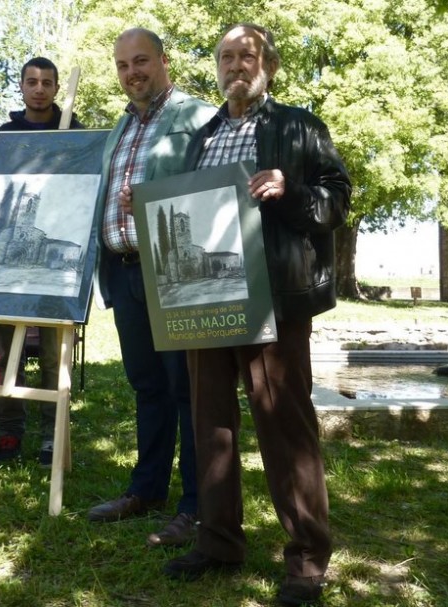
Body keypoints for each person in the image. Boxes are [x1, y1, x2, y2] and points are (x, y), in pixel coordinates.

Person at [162, 24, 351, 607]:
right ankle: (219, 542)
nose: (235, 65)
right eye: (226, 57)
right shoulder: (204, 135)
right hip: (206, 298)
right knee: (210, 423)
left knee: (285, 426)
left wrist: (288, 188)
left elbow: (336, 201)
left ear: (267, 63)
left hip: (275, 297)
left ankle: (306, 563)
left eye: (246, 56)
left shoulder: (298, 126)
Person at [88, 28, 217, 547]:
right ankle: (147, 490)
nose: (131, 72)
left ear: (164, 60)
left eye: (141, 61)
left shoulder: (198, 116)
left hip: (173, 271)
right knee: (148, 386)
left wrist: (153, 198)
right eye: (122, 65)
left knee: (189, 390)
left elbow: (217, 188)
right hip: (123, 271)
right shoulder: (119, 126)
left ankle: (197, 505)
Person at [0, 57, 84, 469]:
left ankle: (50, 434)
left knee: (50, 355)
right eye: (32, 82)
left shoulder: (76, 133)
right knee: (9, 353)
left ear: (57, 87)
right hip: (10, 265)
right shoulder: (7, 136)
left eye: (47, 82)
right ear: (22, 87)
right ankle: (11, 431)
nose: (39, 89)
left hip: (56, 250)